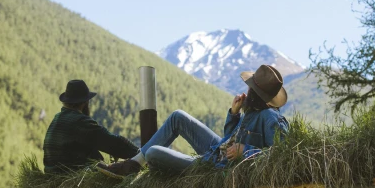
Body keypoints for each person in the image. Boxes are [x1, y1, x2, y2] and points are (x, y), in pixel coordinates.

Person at [98, 64, 290, 177]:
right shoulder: (251, 110)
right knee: (178, 116)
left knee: (155, 153)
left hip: (215, 167)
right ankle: (133, 164)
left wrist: (246, 151)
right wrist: (233, 114)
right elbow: (228, 140)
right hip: (216, 152)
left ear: (254, 92)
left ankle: (144, 163)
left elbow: (281, 156)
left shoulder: (270, 117)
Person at [43, 79, 139, 174]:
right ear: (85, 102)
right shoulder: (79, 121)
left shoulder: (57, 118)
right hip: (71, 175)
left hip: (52, 175)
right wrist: (139, 154)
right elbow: (112, 142)